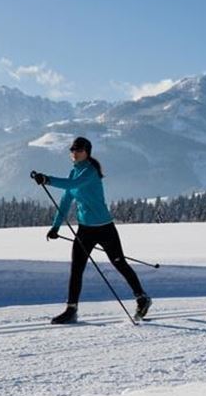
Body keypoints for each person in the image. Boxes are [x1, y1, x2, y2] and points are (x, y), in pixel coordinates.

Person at [32, 137, 151, 323]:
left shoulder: (90, 172)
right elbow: (65, 201)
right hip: (85, 230)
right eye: (72, 149)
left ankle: (142, 298)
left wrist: (47, 179)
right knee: (76, 269)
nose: (74, 152)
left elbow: (71, 186)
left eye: (78, 150)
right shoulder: (74, 172)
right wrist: (55, 227)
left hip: (105, 228)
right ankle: (71, 309)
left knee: (119, 263)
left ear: (87, 152)